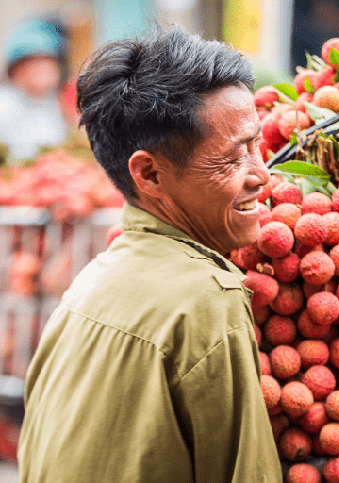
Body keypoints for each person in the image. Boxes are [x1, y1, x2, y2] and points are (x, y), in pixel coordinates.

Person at [17, 25, 282, 482]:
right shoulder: (206, 298)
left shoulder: (87, 286)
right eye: (234, 157)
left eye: (256, 145)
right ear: (150, 175)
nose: (263, 175)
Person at [0, 19, 68, 162]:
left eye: (51, 68)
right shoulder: (4, 105)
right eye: (38, 69)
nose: (47, 75)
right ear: (16, 71)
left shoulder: (51, 103)